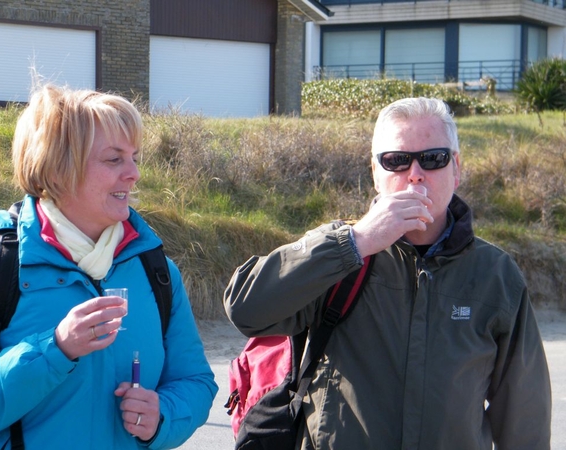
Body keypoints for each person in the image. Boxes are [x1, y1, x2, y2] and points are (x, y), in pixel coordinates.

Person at [223, 97, 551, 449]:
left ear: (456, 168)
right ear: (375, 173)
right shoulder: (338, 250)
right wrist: (356, 242)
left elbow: (524, 418)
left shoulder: (496, 275)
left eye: (433, 158)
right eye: (396, 161)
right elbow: (245, 308)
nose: (414, 174)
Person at [0, 84, 217, 449]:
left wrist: (163, 413)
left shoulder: (156, 269)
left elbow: (195, 381)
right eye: (114, 159)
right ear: (57, 169)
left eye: (134, 157)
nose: (133, 173)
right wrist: (55, 349)